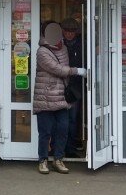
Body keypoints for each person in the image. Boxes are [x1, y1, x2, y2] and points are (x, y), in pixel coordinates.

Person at [33, 21, 86, 175]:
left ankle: (58, 160)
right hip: (45, 97)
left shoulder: (63, 48)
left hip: (62, 97)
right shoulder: (42, 51)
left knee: (63, 129)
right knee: (45, 131)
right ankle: (43, 160)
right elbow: (57, 69)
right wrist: (77, 71)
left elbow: (64, 71)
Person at [61, 17, 84, 158]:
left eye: (72, 31)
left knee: (73, 119)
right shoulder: (57, 44)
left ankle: (70, 149)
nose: (69, 34)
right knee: (59, 118)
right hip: (59, 85)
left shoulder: (82, 45)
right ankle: (58, 148)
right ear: (62, 31)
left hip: (75, 87)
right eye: (67, 31)